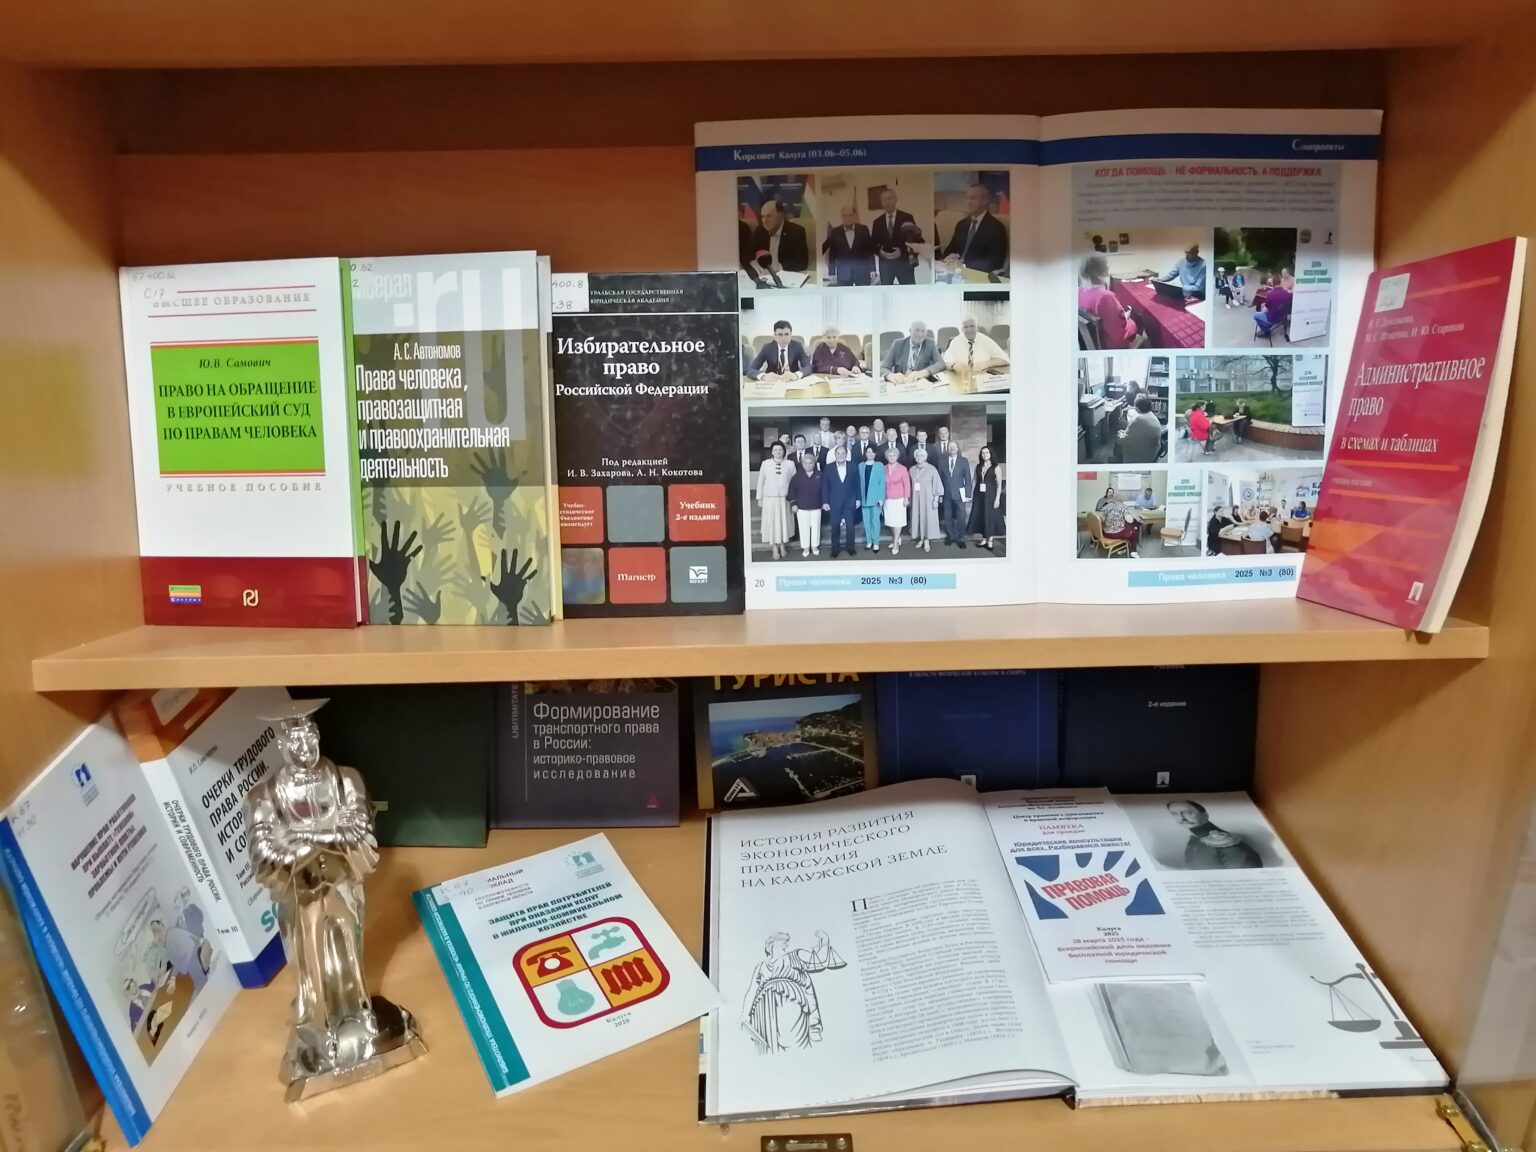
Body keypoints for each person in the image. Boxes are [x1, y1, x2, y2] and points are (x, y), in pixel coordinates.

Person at [740, 930, 844, 1054]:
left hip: (790, 1000)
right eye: (780, 941)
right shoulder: (761, 966)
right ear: (770, 946)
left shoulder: (795, 955)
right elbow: (752, 991)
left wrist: (825, 942)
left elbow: (819, 961)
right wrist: (744, 1014)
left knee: (791, 1041)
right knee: (769, 1049)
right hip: (763, 1009)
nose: (785, 943)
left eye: (784, 942)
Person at [1166, 800, 1262, 869]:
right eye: (1174, 814)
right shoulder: (1196, 839)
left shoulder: (1229, 844)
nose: (1181, 818)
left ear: (1205, 815)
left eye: (1188, 813)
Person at [938, 183, 1008, 275]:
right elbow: (949, 250)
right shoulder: (961, 225)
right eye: (967, 198)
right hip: (954, 272)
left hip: (976, 274)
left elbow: (994, 262)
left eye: (973, 198)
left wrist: (964, 266)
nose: (969, 202)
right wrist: (950, 256)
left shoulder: (996, 227)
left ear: (984, 201)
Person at [1078, 255, 1141, 350]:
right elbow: (1119, 334)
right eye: (1105, 264)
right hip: (1110, 345)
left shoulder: (1078, 291)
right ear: (1097, 271)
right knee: (1136, 321)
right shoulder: (1107, 297)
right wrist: (1129, 321)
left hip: (1091, 342)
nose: (1108, 266)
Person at [748, 197, 809, 277]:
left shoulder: (796, 231)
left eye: (768, 216)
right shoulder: (760, 231)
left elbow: (802, 262)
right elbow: (748, 254)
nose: (764, 221)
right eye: (762, 216)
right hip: (764, 276)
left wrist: (779, 268)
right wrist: (753, 262)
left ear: (780, 216)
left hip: (786, 276)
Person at [870, 187, 918, 285]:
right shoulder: (877, 222)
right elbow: (873, 244)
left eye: (889, 198)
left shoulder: (907, 217)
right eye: (884, 200)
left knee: (909, 292)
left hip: (904, 263)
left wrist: (902, 251)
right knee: (886, 292)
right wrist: (880, 252)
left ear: (896, 200)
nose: (887, 202)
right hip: (885, 265)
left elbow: (915, 240)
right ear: (881, 202)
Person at [820, 445, 861, 559]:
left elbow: (857, 483)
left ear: (846, 455)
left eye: (843, 453)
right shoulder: (828, 467)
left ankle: (850, 547)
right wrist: (825, 502)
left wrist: (858, 499)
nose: (841, 455)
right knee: (835, 527)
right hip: (834, 502)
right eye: (838, 453)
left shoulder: (853, 466)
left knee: (850, 527)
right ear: (835, 455)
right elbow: (825, 486)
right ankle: (835, 548)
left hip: (850, 501)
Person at [755, 442, 793, 559]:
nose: (778, 452)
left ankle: (782, 545)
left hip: (784, 499)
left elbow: (794, 482)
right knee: (772, 523)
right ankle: (774, 548)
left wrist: (794, 499)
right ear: (772, 451)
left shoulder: (790, 464)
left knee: (783, 522)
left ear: (784, 451)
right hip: (769, 498)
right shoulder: (765, 464)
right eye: (775, 450)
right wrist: (759, 498)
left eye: (780, 449)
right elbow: (760, 482)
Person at [821, 204, 875, 286]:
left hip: (862, 273)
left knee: (863, 294)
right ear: (841, 217)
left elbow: (870, 251)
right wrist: (831, 272)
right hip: (843, 273)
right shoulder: (835, 232)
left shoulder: (863, 229)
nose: (847, 218)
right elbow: (832, 254)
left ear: (854, 216)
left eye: (850, 215)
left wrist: (872, 269)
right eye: (844, 215)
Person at [883, 321, 944, 386]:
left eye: (923, 331)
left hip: (921, 383)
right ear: (910, 331)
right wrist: (890, 375)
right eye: (917, 330)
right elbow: (883, 368)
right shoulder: (898, 344)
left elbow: (941, 363)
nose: (920, 334)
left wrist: (925, 372)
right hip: (901, 383)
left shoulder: (930, 344)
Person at [907, 446, 943, 552]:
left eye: (922, 455)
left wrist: (936, 499)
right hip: (916, 498)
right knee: (917, 517)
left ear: (925, 457)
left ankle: (927, 540)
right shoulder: (912, 469)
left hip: (928, 499)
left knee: (928, 518)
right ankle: (921, 538)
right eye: (917, 455)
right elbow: (909, 485)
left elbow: (937, 484)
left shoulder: (932, 469)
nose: (919, 457)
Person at [943, 316, 1010, 373]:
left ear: (977, 327)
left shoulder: (986, 340)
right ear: (962, 329)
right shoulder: (955, 342)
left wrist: (986, 364)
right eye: (966, 327)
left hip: (982, 377)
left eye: (972, 326)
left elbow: (1006, 359)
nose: (969, 330)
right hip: (961, 378)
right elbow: (945, 362)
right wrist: (954, 365)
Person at [938, 439, 973, 547]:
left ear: (957, 449)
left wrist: (968, 494)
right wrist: (940, 494)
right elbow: (939, 479)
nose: (952, 448)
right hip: (946, 494)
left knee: (961, 516)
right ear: (948, 449)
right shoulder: (942, 461)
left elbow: (968, 478)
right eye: (950, 446)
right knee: (947, 516)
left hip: (960, 494)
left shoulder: (964, 461)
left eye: (954, 446)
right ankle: (951, 536)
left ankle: (961, 538)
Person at [787, 452, 823, 557]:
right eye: (805, 463)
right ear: (802, 464)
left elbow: (824, 490)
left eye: (810, 463)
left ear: (814, 463)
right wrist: (793, 504)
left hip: (816, 506)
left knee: (816, 527)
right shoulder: (797, 476)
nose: (808, 465)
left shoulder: (820, 475)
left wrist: (824, 503)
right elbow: (791, 491)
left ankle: (814, 546)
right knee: (804, 528)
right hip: (801, 507)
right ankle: (806, 547)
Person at [969, 445, 1004, 549]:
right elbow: (974, 481)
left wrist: (997, 499)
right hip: (979, 496)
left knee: (990, 517)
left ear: (991, 454)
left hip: (991, 496)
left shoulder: (996, 467)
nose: (985, 455)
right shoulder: (978, 467)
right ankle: (984, 538)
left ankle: (990, 539)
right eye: (983, 453)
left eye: (987, 452)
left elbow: (999, 484)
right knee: (981, 516)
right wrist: (971, 494)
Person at [881, 445, 911, 555]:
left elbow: (907, 484)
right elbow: (881, 484)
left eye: (894, 455)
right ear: (886, 457)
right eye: (890, 455)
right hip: (887, 498)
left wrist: (906, 498)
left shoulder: (902, 469)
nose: (892, 457)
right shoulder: (883, 468)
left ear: (897, 456)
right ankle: (896, 538)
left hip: (899, 499)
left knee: (898, 521)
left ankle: (895, 543)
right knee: (890, 521)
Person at [1118, 394, 1164, 464]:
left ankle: (1117, 460)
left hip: (1141, 457)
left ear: (1137, 408)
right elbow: (1138, 431)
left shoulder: (1138, 419)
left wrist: (1119, 432)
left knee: (1118, 439)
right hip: (1152, 453)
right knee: (1122, 433)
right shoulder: (1150, 414)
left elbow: (1124, 440)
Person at [859, 444, 886, 552]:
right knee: (866, 522)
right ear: (865, 453)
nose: (870, 454)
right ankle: (869, 541)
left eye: (872, 452)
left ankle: (876, 542)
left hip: (875, 499)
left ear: (875, 454)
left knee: (875, 522)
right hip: (864, 498)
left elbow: (882, 482)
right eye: (868, 452)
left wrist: (881, 498)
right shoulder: (860, 465)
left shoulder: (879, 465)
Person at [1097, 491, 1140, 558]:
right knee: (1134, 528)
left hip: (1106, 533)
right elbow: (1130, 520)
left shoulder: (1107, 506)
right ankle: (1133, 551)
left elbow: (1103, 519)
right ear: (1122, 499)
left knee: (1128, 526)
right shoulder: (1123, 506)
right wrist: (1131, 515)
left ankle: (1122, 548)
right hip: (1117, 534)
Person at [1255, 272, 1293, 338]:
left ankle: (1266, 331)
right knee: (1266, 306)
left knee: (1256, 315)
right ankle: (1266, 327)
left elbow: (1265, 310)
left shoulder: (1270, 294)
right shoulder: (1286, 293)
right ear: (1280, 282)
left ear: (1272, 283)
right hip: (1282, 315)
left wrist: (1261, 313)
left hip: (1272, 318)